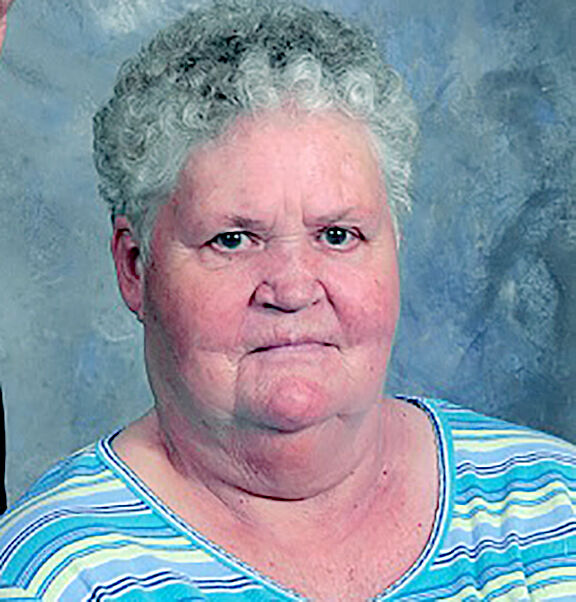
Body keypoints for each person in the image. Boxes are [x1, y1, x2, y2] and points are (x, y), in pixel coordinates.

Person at [1, 1, 575, 600]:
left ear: (394, 249)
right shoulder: (54, 576)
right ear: (134, 266)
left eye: (338, 235)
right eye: (232, 240)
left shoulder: (554, 506)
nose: (294, 290)